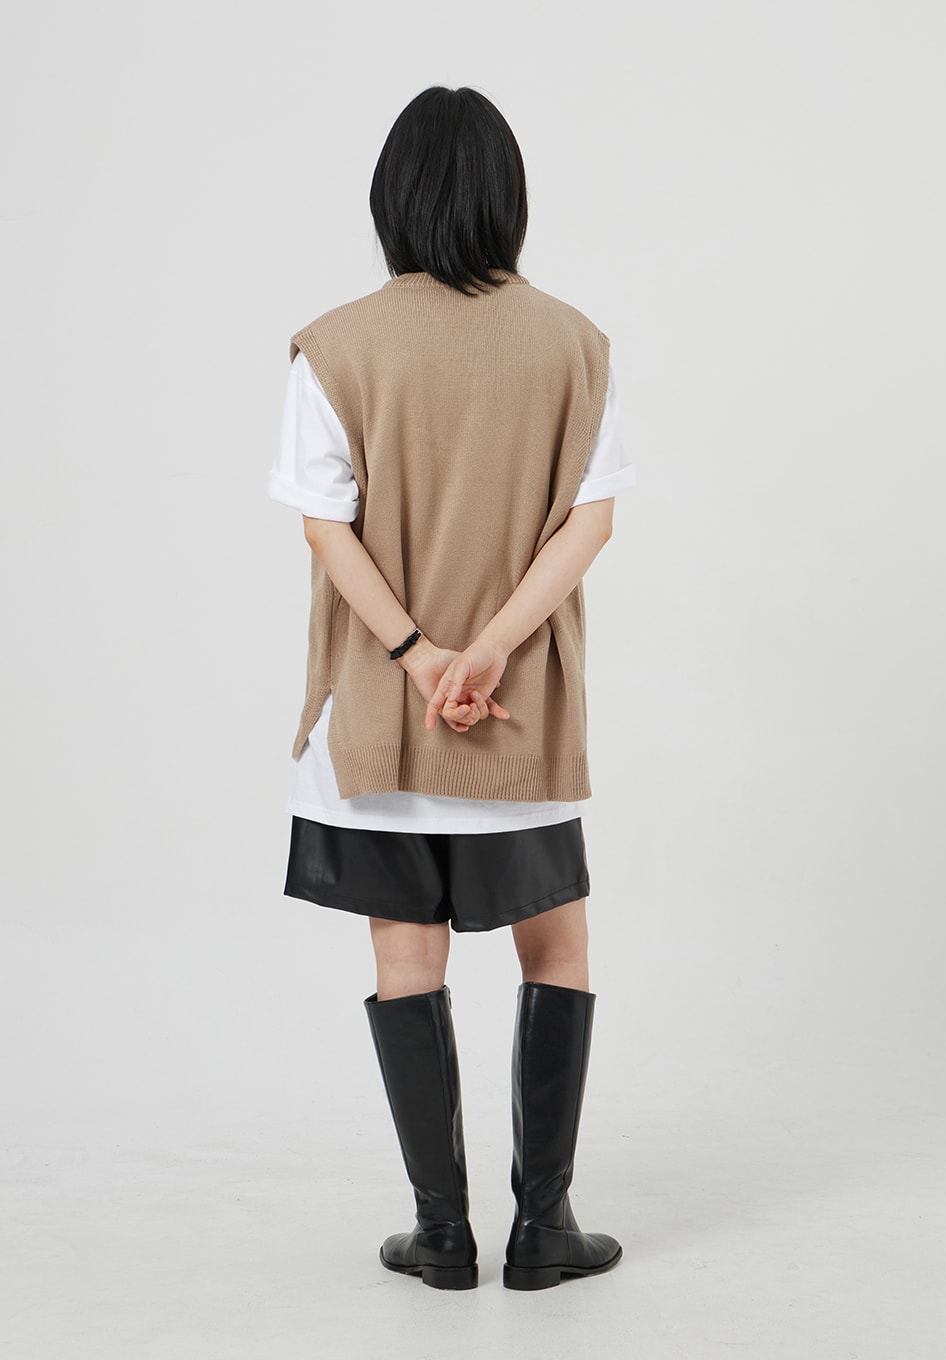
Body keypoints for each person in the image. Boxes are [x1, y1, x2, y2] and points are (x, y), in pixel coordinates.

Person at [267, 86, 636, 1292]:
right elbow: (590, 523)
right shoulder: (575, 342)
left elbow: (324, 526)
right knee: (556, 944)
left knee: (405, 955)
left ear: (392, 200)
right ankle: (544, 1228)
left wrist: (421, 656)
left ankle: (440, 1236)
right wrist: (489, 652)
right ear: (506, 197)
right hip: (521, 716)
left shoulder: (335, 344)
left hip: (385, 716)